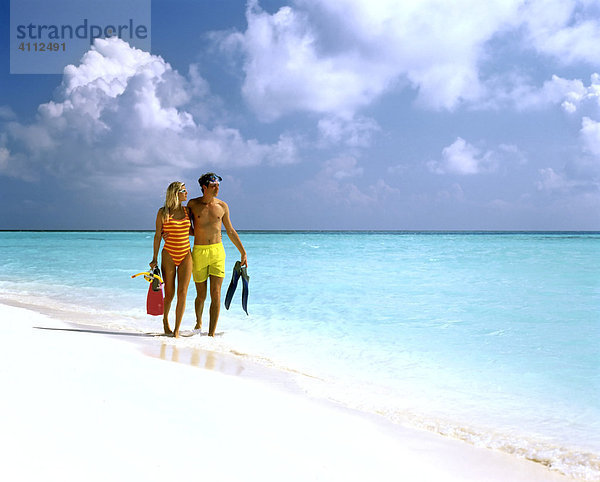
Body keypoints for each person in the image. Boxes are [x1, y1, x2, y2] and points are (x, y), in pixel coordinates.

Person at [188, 173, 247, 336]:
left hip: (217, 252)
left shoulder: (223, 206)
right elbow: (184, 225)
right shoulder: (192, 204)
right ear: (204, 187)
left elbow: (230, 230)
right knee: (201, 295)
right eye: (214, 186)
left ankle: (211, 335)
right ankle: (198, 323)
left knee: (216, 294)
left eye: (218, 185)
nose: (217, 188)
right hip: (199, 252)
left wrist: (243, 251)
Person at [150, 182, 192, 337]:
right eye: (184, 191)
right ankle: (165, 321)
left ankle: (176, 330)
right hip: (168, 254)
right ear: (176, 193)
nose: (187, 193)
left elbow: (194, 230)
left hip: (186, 254)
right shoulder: (162, 212)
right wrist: (154, 258)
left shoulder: (188, 211)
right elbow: (157, 235)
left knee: (183, 292)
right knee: (169, 293)